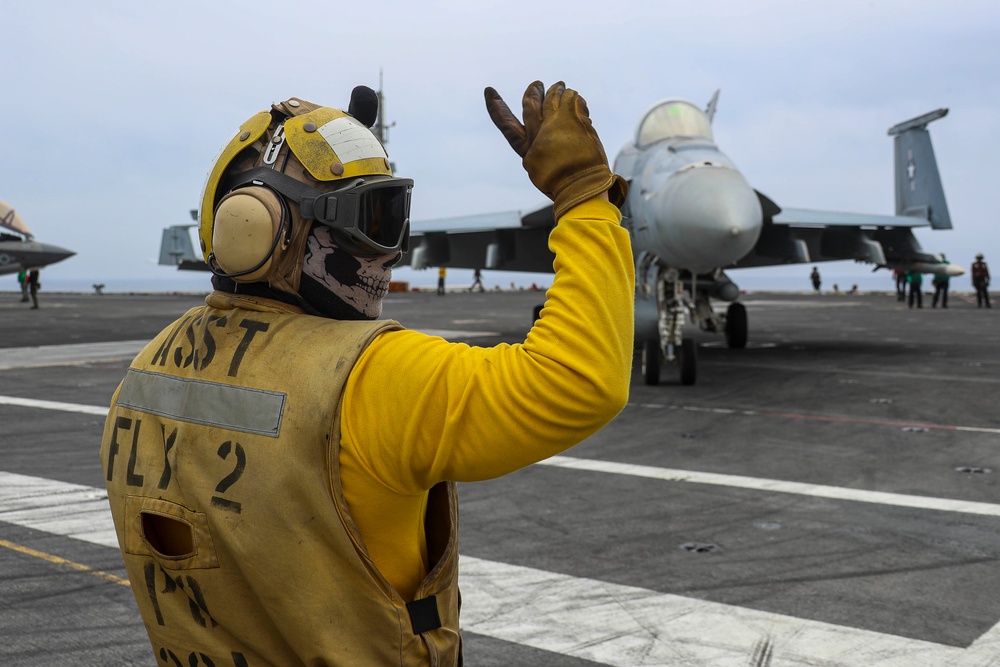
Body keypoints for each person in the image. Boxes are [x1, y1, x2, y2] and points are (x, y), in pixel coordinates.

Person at [100, 82, 632, 665]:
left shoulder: (146, 371)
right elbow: (580, 379)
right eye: (372, 220)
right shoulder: (372, 377)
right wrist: (583, 195)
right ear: (262, 226)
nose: (392, 252)